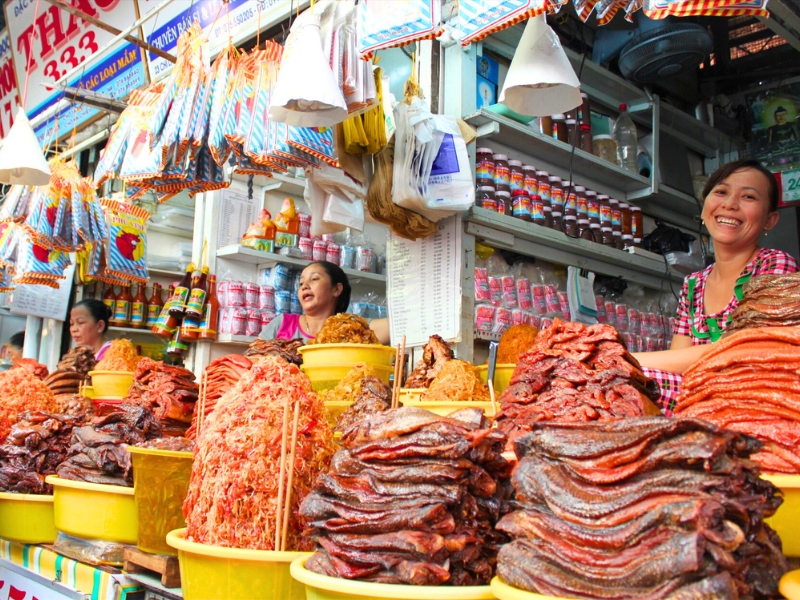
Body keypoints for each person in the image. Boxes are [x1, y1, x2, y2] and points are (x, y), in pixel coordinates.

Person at [633, 159, 798, 415]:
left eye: (749, 196)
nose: (730, 204)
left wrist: (626, 359)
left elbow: (747, 350)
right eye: (721, 192)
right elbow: (678, 363)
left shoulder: (773, 264)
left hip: (754, 403)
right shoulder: (693, 284)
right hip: (698, 396)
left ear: (770, 220)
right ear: (704, 207)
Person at [260, 261, 390, 344]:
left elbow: (398, 326)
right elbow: (253, 359)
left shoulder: (353, 329)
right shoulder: (283, 323)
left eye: (314, 279)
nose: (304, 286)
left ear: (336, 289)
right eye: (301, 283)